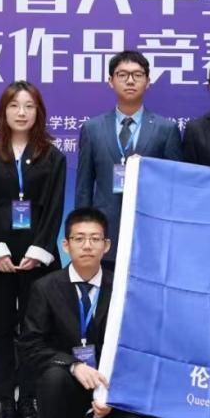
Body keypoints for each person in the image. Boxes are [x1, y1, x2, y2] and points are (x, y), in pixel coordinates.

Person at [19, 207, 160, 418]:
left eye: (95, 239)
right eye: (79, 238)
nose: (87, 245)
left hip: (113, 384)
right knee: (52, 377)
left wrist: (112, 395)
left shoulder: (123, 287)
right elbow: (31, 345)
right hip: (69, 383)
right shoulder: (45, 288)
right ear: (66, 245)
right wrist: (73, 365)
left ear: (106, 245)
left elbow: (140, 346)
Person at [0, 81, 66, 418]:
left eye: (29, 106)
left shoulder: (52, 156)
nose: (21, 112)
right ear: (3, 112)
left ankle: (28, 397)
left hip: (36, 257)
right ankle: (5, 400)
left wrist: (39, 252)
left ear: (38, 112)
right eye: (14, 106)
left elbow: (54, 208)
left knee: (33, 329)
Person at [75, 51, 181, 267]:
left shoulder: (166, 129)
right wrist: (82, 231)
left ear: (148, 82)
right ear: (110, 81)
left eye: (137, 75)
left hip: (150, 231)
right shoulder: (93, 128)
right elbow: (84, 186)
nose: (130, 81)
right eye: (122, 75)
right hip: (104, 233)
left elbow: (174, 185)